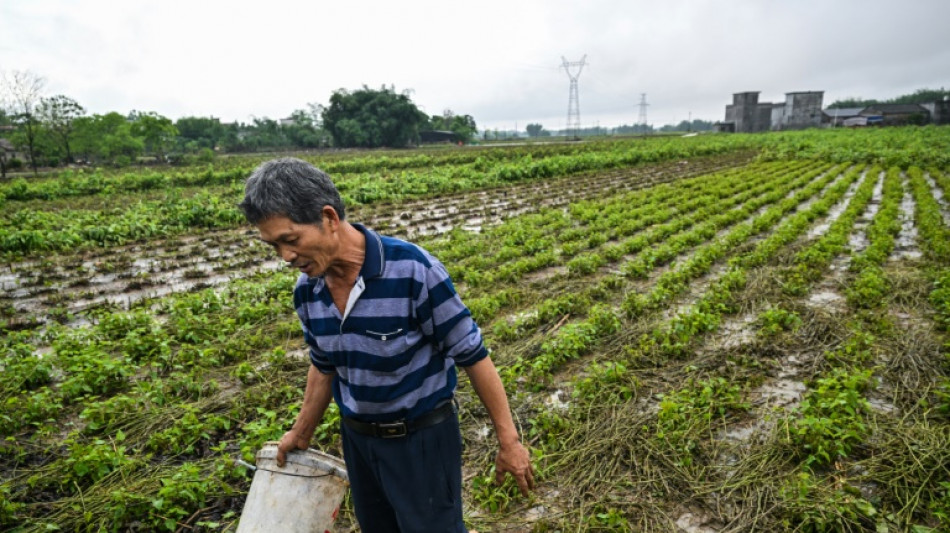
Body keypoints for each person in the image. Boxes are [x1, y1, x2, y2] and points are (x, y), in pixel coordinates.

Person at [239, 158, 534, 532]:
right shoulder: (308, 290)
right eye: (273, 246)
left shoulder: (413, 270)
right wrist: (301, 433)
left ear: (328, 218)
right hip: (359, 440)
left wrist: (509, 442)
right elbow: (324, 364)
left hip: (421, 441)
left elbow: (474, 356)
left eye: (290, 240)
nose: (285, 257)